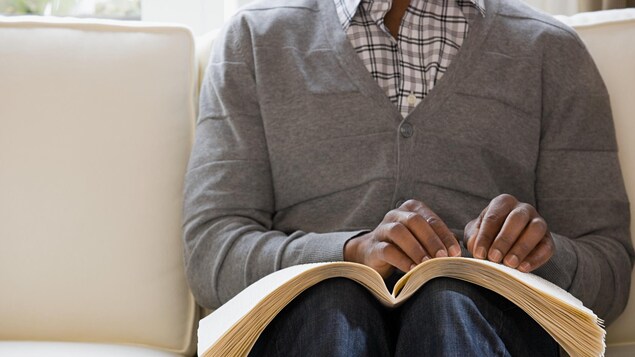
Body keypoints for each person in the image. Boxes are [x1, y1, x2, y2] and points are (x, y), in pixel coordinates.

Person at [183, 0, 635, 355]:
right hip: (312, 327)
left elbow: (610, 272)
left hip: (487, 323)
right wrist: (346, 253)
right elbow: (210, 252)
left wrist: (537, 256)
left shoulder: (551, 49)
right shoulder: (253, 41)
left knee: (449, 302)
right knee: (333, 303)